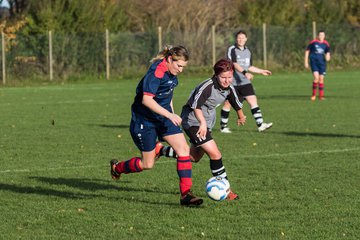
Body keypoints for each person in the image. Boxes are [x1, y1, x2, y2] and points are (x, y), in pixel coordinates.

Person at [110, 45, 203, 206]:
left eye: (183, 67)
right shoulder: (156, 73)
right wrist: (169, 115)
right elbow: (146, 100)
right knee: (148, 164)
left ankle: (186, 195)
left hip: (164, 118)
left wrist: (172, 114)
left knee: (183, 150)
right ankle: (117, 168)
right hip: (144, 121)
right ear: (169, 60)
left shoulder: (171, 72)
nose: (181, 70)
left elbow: (168, 94)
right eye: (179, 65)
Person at [157, 58, 247, 200]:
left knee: (194, 157)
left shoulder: (229, 87)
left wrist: (240, 115)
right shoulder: (207, 86)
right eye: (223, 77)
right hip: (193, 122)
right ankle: (227, 190)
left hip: (205, 124)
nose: (226, 80)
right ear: (216, 75)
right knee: (215, 154)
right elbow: (195, 106)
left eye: (230, 77)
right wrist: (202, 123)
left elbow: (235, 100)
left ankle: (161, 150)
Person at [219, 30, 272, 133]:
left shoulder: (248, 51)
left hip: (245, 82)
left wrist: (261, 71)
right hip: (232, 82)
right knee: (228, 104)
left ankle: (260, 125)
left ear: (246, 39)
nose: (241, 40)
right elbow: (234, 64)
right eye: (239, 38)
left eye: (243, 38)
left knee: (253, 101)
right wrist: (245, 73)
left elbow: (249, 66)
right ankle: (223, 127)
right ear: (236, 39)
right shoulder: (232, 49)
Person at [304, 30, 331, 101]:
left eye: (323, 35)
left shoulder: (326, 44)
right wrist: (306, 62)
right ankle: (313, 95)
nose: (321, 36)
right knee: (316, 78)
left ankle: (321, 96)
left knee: (321, 79)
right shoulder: (313, 42)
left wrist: (328, 57)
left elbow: (328, 52)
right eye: (320, 35)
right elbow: (307, 51)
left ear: (324, 36)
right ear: (318, 36)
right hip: (314, 63)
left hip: (322, 64)